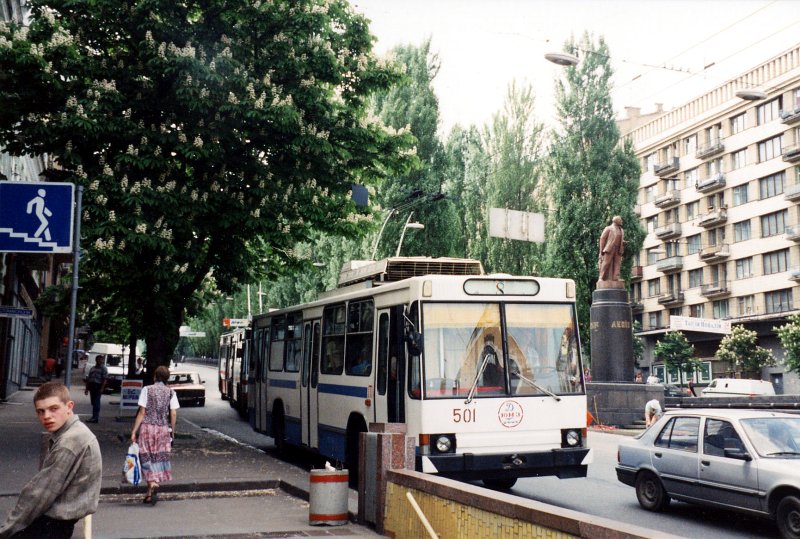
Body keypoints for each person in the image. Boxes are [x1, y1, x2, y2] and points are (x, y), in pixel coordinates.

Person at [0, 382, 102, 538]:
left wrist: (7, 530)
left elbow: (39, 493)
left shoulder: (69, 442)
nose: (46, 416)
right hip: (58, 523)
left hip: (51, 526)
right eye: (40, 411)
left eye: (54, 409)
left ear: (69, 406)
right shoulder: (75, 431)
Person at [131, 366, 179, 505]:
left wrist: (134, 431)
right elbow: (174, 413)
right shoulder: (171, 392)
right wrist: (172, 431)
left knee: (146, 457)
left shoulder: (147, 390)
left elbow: (142, 412)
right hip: (163, 429)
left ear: (155, 376)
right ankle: (149, 494)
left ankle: (152, 483)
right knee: (157, 459)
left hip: (147, 428)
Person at [598, 215, 625, 283]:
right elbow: (602, 239)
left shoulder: (621, 230)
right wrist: (601, 251)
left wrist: (623, 242)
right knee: (606, 263)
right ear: (616, 221)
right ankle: (601, 277)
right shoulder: (609, 228)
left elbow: (619, 238)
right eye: (620, 220)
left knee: (617, 263)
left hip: (618, 249)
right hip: (610, 248)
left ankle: (615, 277)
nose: (621, 221)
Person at [83, 355, 107, 423]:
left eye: (101, 359)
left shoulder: (103, 368)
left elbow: (105, 379)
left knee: (96, 402)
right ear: (96, 360)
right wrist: (87, 389)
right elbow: (89, 379)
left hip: (98, 386)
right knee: (93, 402)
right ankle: (94, 416)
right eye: (98, 359)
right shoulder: (92, 368)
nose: (99, 361)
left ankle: (95, 418)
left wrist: (102, 388)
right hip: (92, 386)